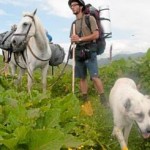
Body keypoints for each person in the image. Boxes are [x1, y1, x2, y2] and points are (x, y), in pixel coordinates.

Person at [68, 0, 108, 111]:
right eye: (71, 6)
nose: (72, 7)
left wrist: (80, 38)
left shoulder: (90, 18)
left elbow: (96, 35)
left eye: (74, 5)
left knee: (94, 77)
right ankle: (85, 101)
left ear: (81, 7)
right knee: (82, 78)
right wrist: (73, 40)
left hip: (90, 50)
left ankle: (103, 100)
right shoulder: (73, 24)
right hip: (79, 52)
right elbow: (73, 38)